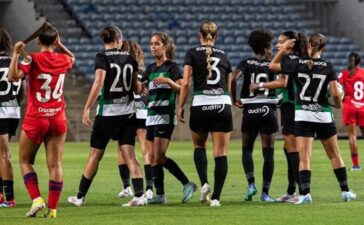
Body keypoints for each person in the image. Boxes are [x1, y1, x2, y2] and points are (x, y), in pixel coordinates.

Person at [269, 33, 356, 204]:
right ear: (323, 48)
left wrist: (284, 49)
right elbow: (335, 94)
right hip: (323, 115)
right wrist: (338, 104)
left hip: (303, 114)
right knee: (335, 155)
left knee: (304, 157)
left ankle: (305, 194)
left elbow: (272, 66)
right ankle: (345, 191)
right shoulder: (328, 67)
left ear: (308, 45)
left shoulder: (296, 63)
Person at [67, 26, 146, 207]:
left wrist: (87, 107)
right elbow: (136, 87)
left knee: (94, 156)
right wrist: (142, 87)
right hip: (127, 114)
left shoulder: (101, 57)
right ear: (118, 39)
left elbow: (98, 83)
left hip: (107, 114)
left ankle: (80, 197)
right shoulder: (130, 57)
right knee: (130, 155)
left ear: (105, 41)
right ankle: (140, 195)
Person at [8, 22, 75, 217]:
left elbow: (13, 77)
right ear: (55, 41)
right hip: (57, 118)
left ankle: (37, 199)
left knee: (25, 161)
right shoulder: (63, 59)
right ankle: (53, 209)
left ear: (38, 41)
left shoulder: (32, 59)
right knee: (55, 165)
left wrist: (15, 53)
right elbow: (74, 58)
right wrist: (60, 45)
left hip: (36, 118)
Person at [178, 21, 232, 207]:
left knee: (199, 146)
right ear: (215, 37)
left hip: (200, 104)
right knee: (221, 153)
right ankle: (216, 198)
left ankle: (204, 184)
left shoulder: (191, 53)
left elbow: (185, 83)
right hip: (222, 105)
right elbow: (229, 84)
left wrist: (180, 106)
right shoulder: (225, 55)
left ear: (198, 35)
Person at [142, 32, 196, 205]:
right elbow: (139, 88)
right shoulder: (150, 69)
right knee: (152, 159)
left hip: (165, 115)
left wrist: (168, 82)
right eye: (151, 44)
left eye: (156, 44)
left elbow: (182, 88)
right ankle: (160, 195)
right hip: (150, 116)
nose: (153, 47)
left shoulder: (173, 67)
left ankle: (187, 183)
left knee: (159, 156)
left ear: (164, 46)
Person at [250, 31, 302, 203]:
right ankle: (291, 191)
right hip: (292, 105)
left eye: (281, 42)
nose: (278, 45)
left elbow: (283, 82)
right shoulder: (296, 59)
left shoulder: (288, 60)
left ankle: (303, 192)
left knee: (293, 150)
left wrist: (260, 85)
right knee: (289, 150)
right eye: (278, 42)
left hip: (291, 106)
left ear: (290, 44)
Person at [231, 29, 278, 202]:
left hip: (250, 110)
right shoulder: (273, 64)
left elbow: (233, 79)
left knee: (247, 150)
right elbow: (282, 82)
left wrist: (234, 98)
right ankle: (265, 194)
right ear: (266, 46)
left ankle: (251, 184)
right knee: (269, 153)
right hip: (268, 110)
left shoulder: (245, 62)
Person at [116, 40, 153, 200]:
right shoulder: (145, 72)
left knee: (122, 150)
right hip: (144, 112)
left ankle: (127, 187)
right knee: (146, 150)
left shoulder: (124, 71)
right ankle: (150, 188)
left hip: (128, 113)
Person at [0, 28, 25, 208]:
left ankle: (8, 199)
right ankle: (2, 196)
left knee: (3, 155)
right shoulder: (15, 61)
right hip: (13, 112)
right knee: (1, 154)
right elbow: (22, 90)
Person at [338, 52, 364, 171]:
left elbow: (337, 89)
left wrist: (343, 99)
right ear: (359, 62)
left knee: (352, 137)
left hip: (349, 106)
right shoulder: (363, 73)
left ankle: (356, 165)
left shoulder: (343, 74)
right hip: (363, 107)